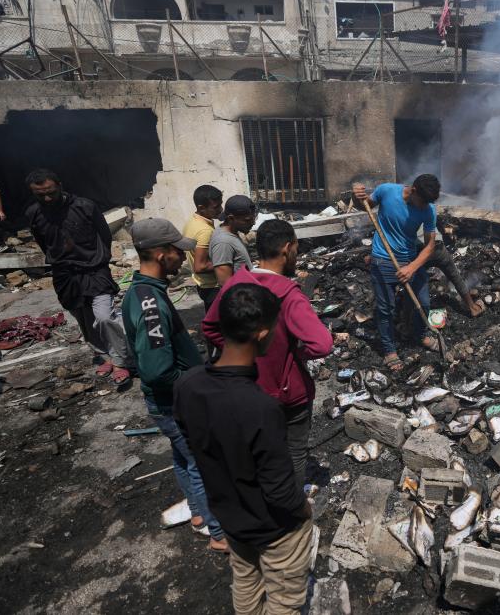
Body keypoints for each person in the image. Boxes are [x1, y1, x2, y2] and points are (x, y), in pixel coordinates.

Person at [175, 283, 314, 614]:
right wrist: (304, 510)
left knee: (246, 581)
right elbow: (280, 493)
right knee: (284, 599)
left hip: (230, 516)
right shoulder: (261, 408)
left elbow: (190, 443)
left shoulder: (188, 385)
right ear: (262, 334)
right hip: (272, 528)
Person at [202, 219, 333, 492]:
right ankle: (292, 509)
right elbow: (322, 344)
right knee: (295, 452)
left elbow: (210, 327)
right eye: (296, 248)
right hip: (288, 394)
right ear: (287, 249)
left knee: (257, 452)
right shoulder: (289, 295)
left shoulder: (236, 283)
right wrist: (295, 351)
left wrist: (243, 353)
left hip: (246, 388)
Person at [121, 218, 227, 553]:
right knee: (202, 461)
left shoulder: (144, 292)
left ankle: (197, 514)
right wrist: (198, 382)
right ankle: (219, 534)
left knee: (182, 456)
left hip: (168, 401)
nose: (181, 258)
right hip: (174, 401)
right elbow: (157, 370)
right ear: (157, 252)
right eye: (175, 251)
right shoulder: (149, 304)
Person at [25, 168, 131, 384]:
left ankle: (122, 360)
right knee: (84, 320)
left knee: (104, 316)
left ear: (60, 186)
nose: (47, 198)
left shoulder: (85, 206)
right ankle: (104, 356)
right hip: (64, 274)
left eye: (51, 192)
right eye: (40, 195)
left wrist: (99, 259)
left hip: (94, 270)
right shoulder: (34, 213)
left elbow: (104, 235)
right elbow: (43, 243)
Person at [352, 174, 440, 372]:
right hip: (383, 259)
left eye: (428, 203)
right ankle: (389, 350)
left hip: (409, 260)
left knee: (423, 302)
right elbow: (364, 205)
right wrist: (356, 197)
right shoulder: (387, 191)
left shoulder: (429, 209)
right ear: (413, 190)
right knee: (386, 309)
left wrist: (412, 267)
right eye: (422, 201)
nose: (424, 206)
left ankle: (418, 334)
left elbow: (429, 247)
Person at [415, 228, 485, 318]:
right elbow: (437, 226)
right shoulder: (427, 213)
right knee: (455, 277)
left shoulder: (401, 215)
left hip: (419, 252)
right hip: (437, 248)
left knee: (418, 283)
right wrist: (449, 230)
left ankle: (415, 315)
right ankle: (473, 307)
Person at [182, 184, 224, 311]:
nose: (221, 209)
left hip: (202, 284)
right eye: (216, 207)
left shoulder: (192, 221)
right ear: (201, 208)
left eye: (221, 204)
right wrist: (227, 262)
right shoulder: (205, 230)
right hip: (212, 286)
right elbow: (200, 266)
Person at [209, 195, 256, 286]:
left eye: (253, 218)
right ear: (231, 218)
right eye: (247, 220)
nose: (253, 223)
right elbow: (225, 283)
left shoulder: (232, 233)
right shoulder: (223, 242)